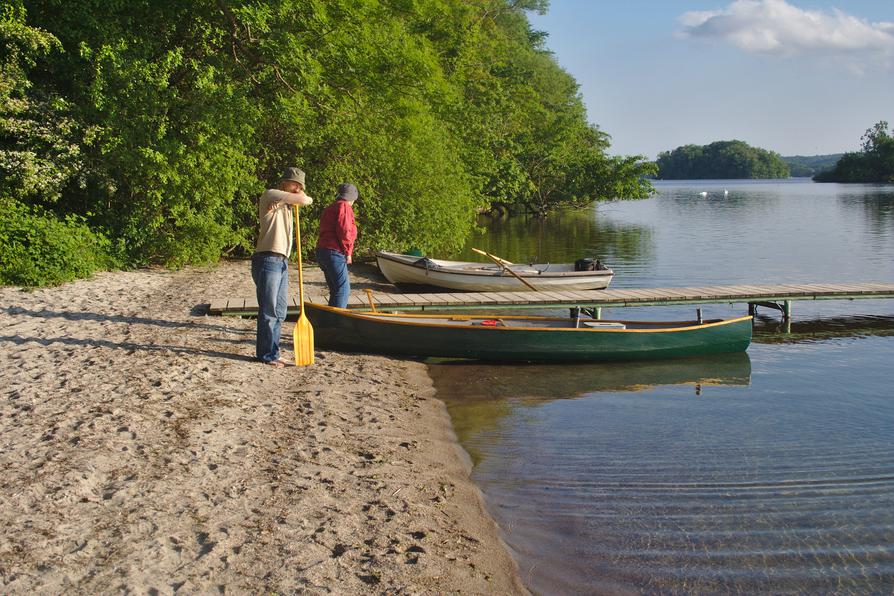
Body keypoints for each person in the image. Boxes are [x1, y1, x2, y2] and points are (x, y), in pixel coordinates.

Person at [252, 167, 313, 367]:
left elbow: (307, 199)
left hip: (282, 261)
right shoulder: (271, 194)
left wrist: (297, 194)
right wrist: (297, 195)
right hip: (267, 259)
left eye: (300, 185)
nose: (298, 188)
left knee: (280, 311)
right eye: (295, 184)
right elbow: (304, 200)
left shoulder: (287, 205)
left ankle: (274, 352)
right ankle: (266, 355)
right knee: (268, 310)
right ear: (285, 182)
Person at [315, 183, 359, 308]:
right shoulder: (344, 207)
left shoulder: (330, 208)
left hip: (323, 251)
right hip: (334, 251)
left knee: (335, 290)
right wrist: (348, 252)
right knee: (343, 290)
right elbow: (344, 231)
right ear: (352, 198)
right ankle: (337, 321)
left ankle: (331, 320)